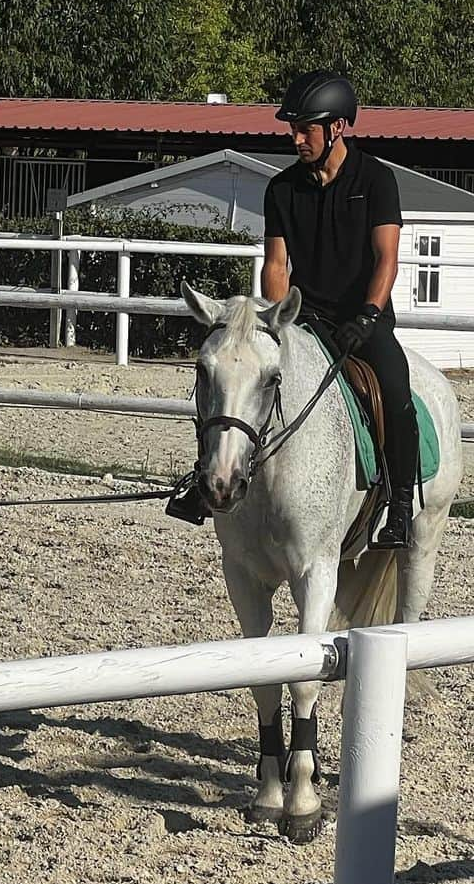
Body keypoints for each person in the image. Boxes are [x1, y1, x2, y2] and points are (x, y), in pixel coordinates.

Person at [169, 70, 417, 548]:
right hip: (301, 318)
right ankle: (206, 481)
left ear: (339, 128)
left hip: (362, 319)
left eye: (306, 128)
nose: (296, 137)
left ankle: (401, 507)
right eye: (294, 128)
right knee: (235, 382)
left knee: (396, 387)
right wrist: (275, 315)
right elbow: (277, 264)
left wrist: (368, 315)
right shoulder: (282, 189)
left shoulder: (377, 181)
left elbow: (387, 258)